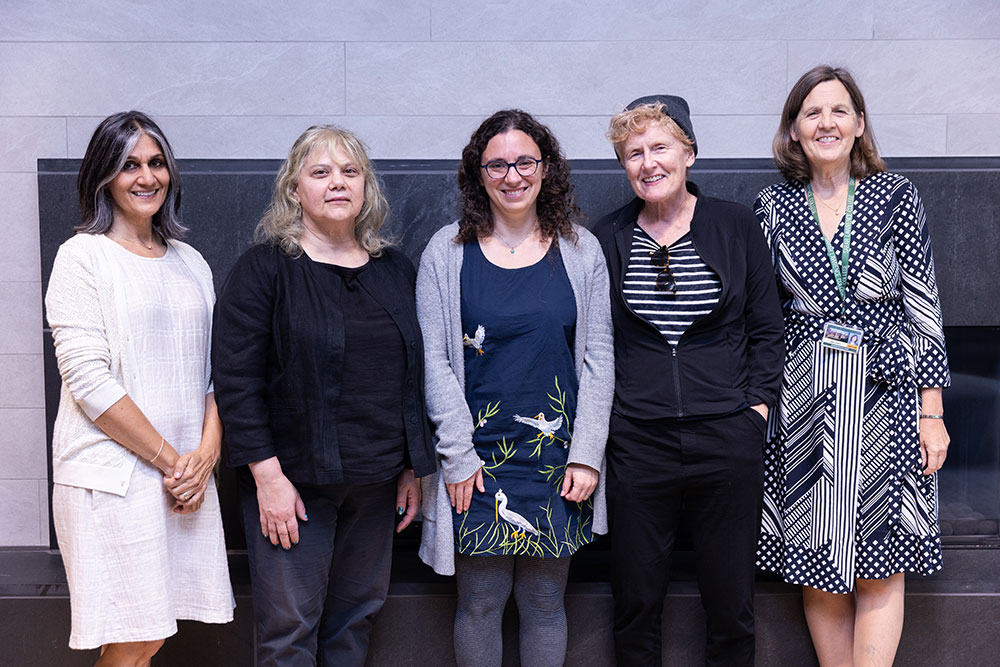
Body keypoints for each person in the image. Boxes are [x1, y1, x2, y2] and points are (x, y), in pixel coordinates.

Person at [212, 125, 435, 666]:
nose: (338, 183)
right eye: (321, 172)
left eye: (350, 171)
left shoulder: (395, 270)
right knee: (289, 633)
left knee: (354, 620)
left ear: (365, 187)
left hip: (378, 484)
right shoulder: (265, 270)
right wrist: (267, 479)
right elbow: (236, 381)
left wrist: (411, 467)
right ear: (295, 190)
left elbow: (412, 374)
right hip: (292, 486)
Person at [755, 65, 951, 667]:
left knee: (881, 566)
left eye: (839, 111)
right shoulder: (772, 206)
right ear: (793, 130)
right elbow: (762, 315)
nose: (826, 123)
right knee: (819, 566)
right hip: (804, 405)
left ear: (859, 124)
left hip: (886, 405)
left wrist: (932, 412)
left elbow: (923, 305)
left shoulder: (897, 196)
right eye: (812, 113)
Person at [416, 109, 614, 666]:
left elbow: (600, 360)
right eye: (497, 164)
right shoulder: (445, 253)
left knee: (546, 600)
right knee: (480, 601)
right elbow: (434, 362)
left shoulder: (581, 252)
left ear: (545, 168)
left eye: (525, 161)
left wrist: (587, 456)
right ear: (479, 174)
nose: (512, 175)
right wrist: (456, 456)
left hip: (558, 462)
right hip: (474, 463)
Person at [593, 95, 784, 666]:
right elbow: (598, 341)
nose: (648, 163)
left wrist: (756, 412)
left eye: (660, 148)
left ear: (689, 153)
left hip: (727, 438)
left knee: (731, 603)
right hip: (638, 442)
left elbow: (767, 328)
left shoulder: (735, 224)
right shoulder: (607, 237)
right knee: (634, 601)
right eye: (633, 153)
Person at [45, 111, 233, 665]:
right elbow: (88, 380)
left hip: (183, 480)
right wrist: (175, 462)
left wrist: (206, 455)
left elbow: (212, 373)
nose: (146, 177)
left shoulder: (191, 262)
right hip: (115, 478)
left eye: (156, 163)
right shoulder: (82, 256)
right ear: (103, 176)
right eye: (129, 165)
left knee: (153, 635)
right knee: (130, 638)